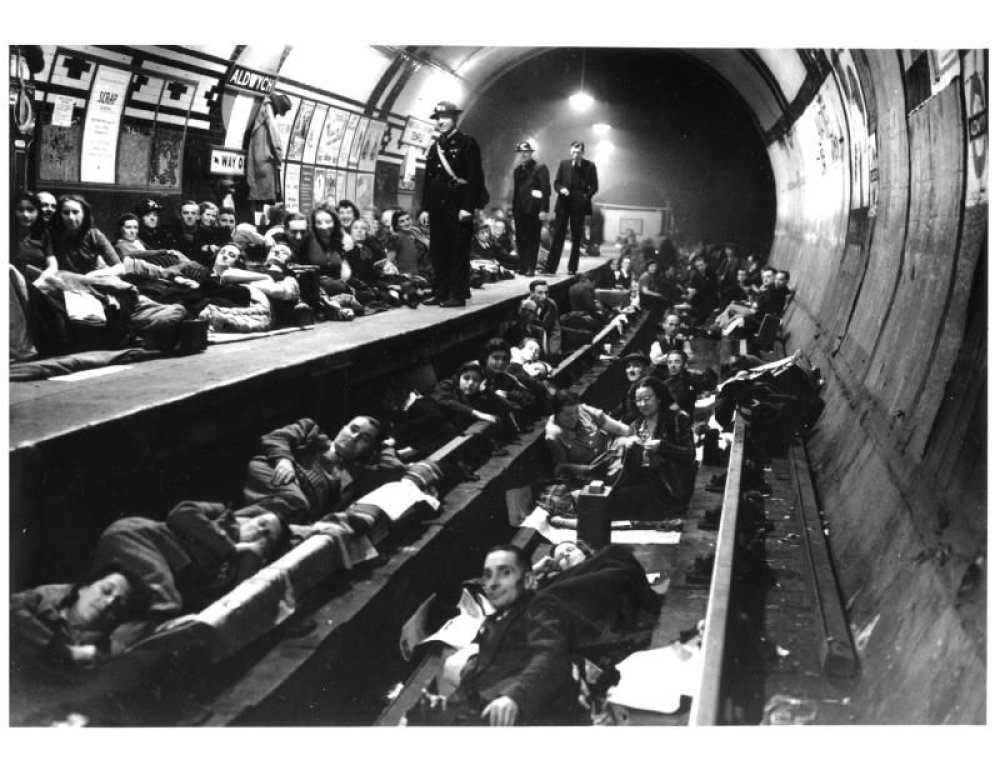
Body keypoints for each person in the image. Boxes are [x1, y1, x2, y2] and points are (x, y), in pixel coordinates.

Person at [445, 544, 578, 725]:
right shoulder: (502, 614)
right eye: (488, 575)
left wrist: (514, 697)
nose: (493, 582)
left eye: (505, 573)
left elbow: (551, 654)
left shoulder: (539, 608)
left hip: (529, 709)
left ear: (528, 579)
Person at [242, 416, 404, 524]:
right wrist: (284, 460)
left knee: (275, 523)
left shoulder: (356, 474)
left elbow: (393, 469)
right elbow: (275, 437)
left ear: (368, 449)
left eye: (365, 439)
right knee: (295, 503)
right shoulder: (310, 431)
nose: (354, 438)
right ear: (343, 428)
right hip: (274, 473)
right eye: (353, 429)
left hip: (297, 511)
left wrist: (386, 446)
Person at [11, 566, 144, 671]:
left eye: (118, 604)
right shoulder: (41, 600)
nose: (109, 602)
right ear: (84, 587)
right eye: (106, 590)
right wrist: (66, 652)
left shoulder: (104, 652)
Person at [419, 101, 486, 308]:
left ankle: (457, 294)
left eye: (446, 117)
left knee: (458, 251)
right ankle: (441, 291)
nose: (441, 121)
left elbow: (475, 179)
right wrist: (424, 208)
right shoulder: (435, 147)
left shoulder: (467, 143)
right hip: (438, 207)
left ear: (455, 119)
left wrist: (468, 207)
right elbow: (428, 181)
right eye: (438, 118)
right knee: (439, 250)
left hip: (458, 207)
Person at [611, 377, 695, 520]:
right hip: (642, 480)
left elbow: (689, 454)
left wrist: (662, 446)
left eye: (647, 398)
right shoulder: (635, 426)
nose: (642, 404)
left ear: (659, 398)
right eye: (638, 400)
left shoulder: (677, 419)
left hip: (669, 483)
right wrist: (627, 446)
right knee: (617, 495)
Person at [545, 389, 631, 482]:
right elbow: (563, 468)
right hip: (591, 471)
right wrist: (591, 471)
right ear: (556, 414)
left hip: (612, 451)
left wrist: (640, 438)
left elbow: (619, 429)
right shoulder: (554, 435)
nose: (574, 417)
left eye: (576, 412)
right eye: (568, 415)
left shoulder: (584, 409)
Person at [546, 141, 599, 275]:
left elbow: (594, 186)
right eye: (573, 152)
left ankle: (572, 268)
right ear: (570, 152)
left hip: (579, 205)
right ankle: (551, 267)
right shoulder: (564, 164)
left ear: (583, 153)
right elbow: (556, 182)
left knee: (576, 238)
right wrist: (561, 189)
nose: (575, 154)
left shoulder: (590, 166)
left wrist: (585, 197)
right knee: (558, 235)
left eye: (578, 152)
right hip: (564, 203)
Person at [510, 141, 551, 276]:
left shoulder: (540, 168)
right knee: (521, 238)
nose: (523, 155)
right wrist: (513, 210)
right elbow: (516, 192)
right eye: (521, 153)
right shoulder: (517, 171)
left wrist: (544, 209)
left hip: (534, 210)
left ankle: (530, 267)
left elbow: (546, 190)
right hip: (519, 210)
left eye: (526, 152)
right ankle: (523, 265)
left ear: (531, 153)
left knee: (532, 239)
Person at [11, 190, 58, 282]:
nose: (25, 214)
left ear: (38, 212)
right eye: (20, 210)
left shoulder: (43, 233)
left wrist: (42, 279)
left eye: (30, 210)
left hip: (38, 282)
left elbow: (52, 265)